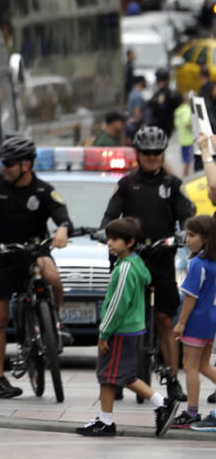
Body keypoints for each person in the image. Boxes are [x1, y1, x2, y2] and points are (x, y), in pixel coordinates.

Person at [0, 135, 72, 399]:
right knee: (0, 319)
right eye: (4, 163)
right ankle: (0, 379)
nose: (5, 168)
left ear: (26, 165)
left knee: (53, 277)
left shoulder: (43, 190)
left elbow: (63, 217)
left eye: (10, 163)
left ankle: (55, 325)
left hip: (32, 251)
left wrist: (62, 230)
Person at [100, 126, 193, 398]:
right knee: (120, 318)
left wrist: (184, 232)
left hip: (163, 259)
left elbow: (186, 216)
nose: (152, 157)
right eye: (146, 153)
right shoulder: (127, 184)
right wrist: (103, 229)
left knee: (165, 320)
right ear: (138, 154)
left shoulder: (173, 185)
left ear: (163, 153)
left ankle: (173, 379)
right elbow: (110, 216)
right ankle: (115, 378)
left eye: (157, 152)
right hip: (132, 260)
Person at [76, 217, 178, 437]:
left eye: (115, 239)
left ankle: (157, 405)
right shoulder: (136, 263)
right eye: (109, 238)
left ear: (130, 242)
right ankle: (111, 417)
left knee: (107, 375)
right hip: (132, 330)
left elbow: (117, 304)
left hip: (120, 331)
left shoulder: (124, 269)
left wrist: (104, 333)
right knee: (123, 376)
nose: (109, 243)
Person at [170, 215, 216, 428]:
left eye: (192, 235)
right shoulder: (213, 262)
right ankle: (192, 412)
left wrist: (181, 323)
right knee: (204, 365)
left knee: (190, 367)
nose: (187, 239)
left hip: (196, 320)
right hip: (210, 318)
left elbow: (190, 297)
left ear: (205, 237)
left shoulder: (197, 263)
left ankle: (191, 412)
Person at [146, 68, 182, 140]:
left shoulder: (163, 94)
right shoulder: (169, 92)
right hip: (165, 126)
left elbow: (161, 111)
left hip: (161, 127)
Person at [177, 99, 196, 169]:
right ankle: (186, 178)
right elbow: (187, 123)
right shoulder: (187, 109)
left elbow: (177, 124)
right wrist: (195, 129)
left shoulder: (179, 110)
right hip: (189, 140)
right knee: (187, 162)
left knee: (185, 161)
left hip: (182, 140)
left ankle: (185, 176)